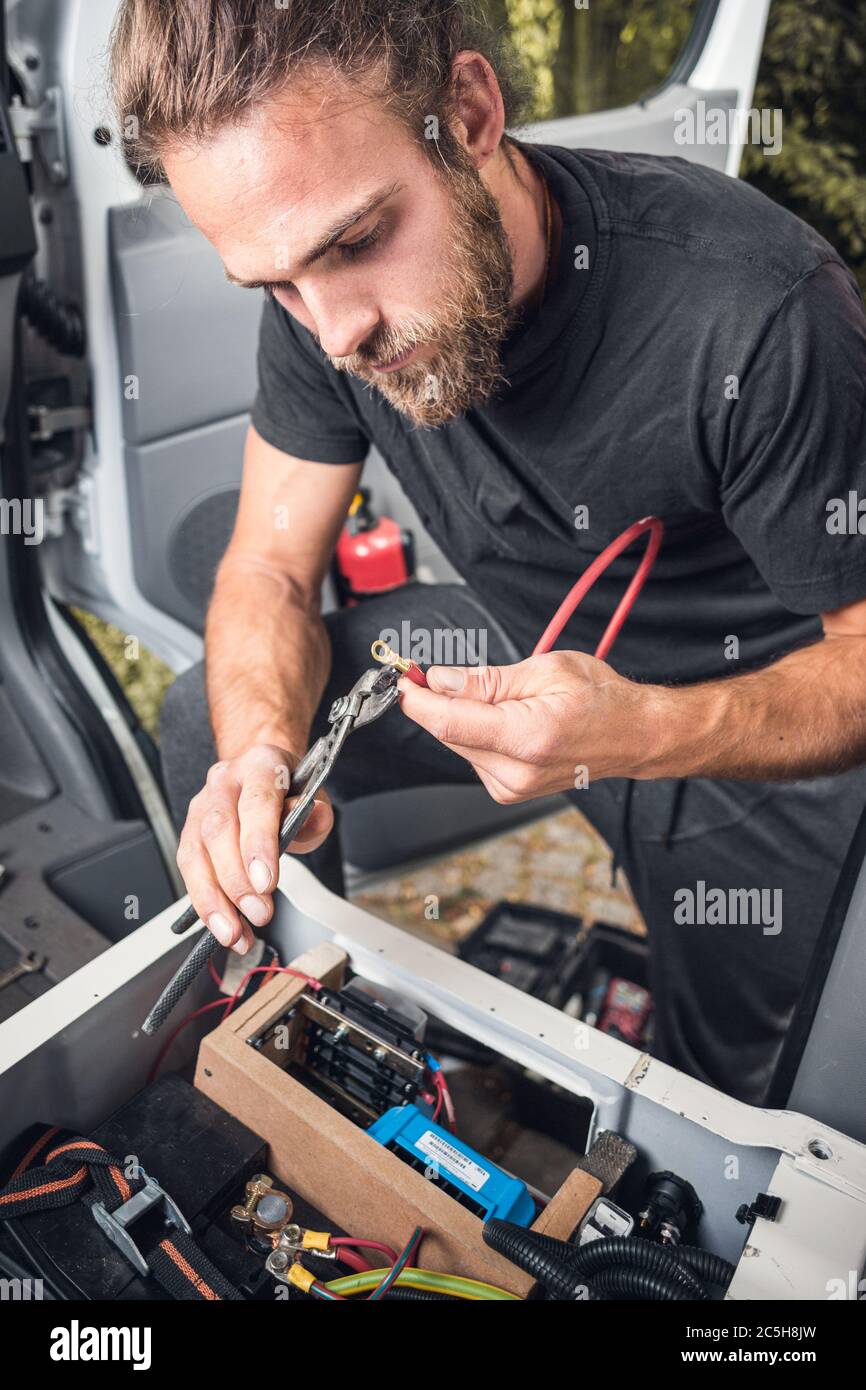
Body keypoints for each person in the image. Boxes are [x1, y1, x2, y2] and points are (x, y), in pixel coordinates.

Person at [110, 0, 866, 1105]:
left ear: (466, 112)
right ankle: (300, 1051)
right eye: (273, 283)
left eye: (357, 241)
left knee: (751, 1099)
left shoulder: (758, 310)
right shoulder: (321, 309)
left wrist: (645, 728)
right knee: (213, 729)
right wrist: (264, 757)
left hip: (742, 728)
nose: (333, 332)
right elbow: (266, 571)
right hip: (519, 644)